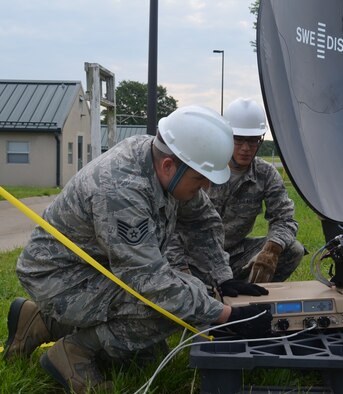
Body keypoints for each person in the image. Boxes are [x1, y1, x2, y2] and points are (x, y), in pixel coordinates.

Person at [3, 106, 272, 393]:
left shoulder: (166, 163)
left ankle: (39, 323)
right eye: (201, 179)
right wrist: (223, 316)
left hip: (94, 270)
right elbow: (151, 283)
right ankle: (73, 353)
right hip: (58, 277)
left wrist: (221, 275)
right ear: (169, 165)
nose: (206, 186)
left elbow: (202, 222)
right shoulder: (121, 190)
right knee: (168, 307)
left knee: (148, 352)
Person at [168, 98, 305, 286]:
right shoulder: (205, 167)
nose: (246, 148)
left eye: (253, 141)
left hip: (234, 255)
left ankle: (247, 294)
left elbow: (285, 218)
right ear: (227, 137)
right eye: (239, 140)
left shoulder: (265, 174)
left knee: (293, 250)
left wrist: (271, 249)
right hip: (192, 258)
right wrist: (180, 267)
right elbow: (171, 221)